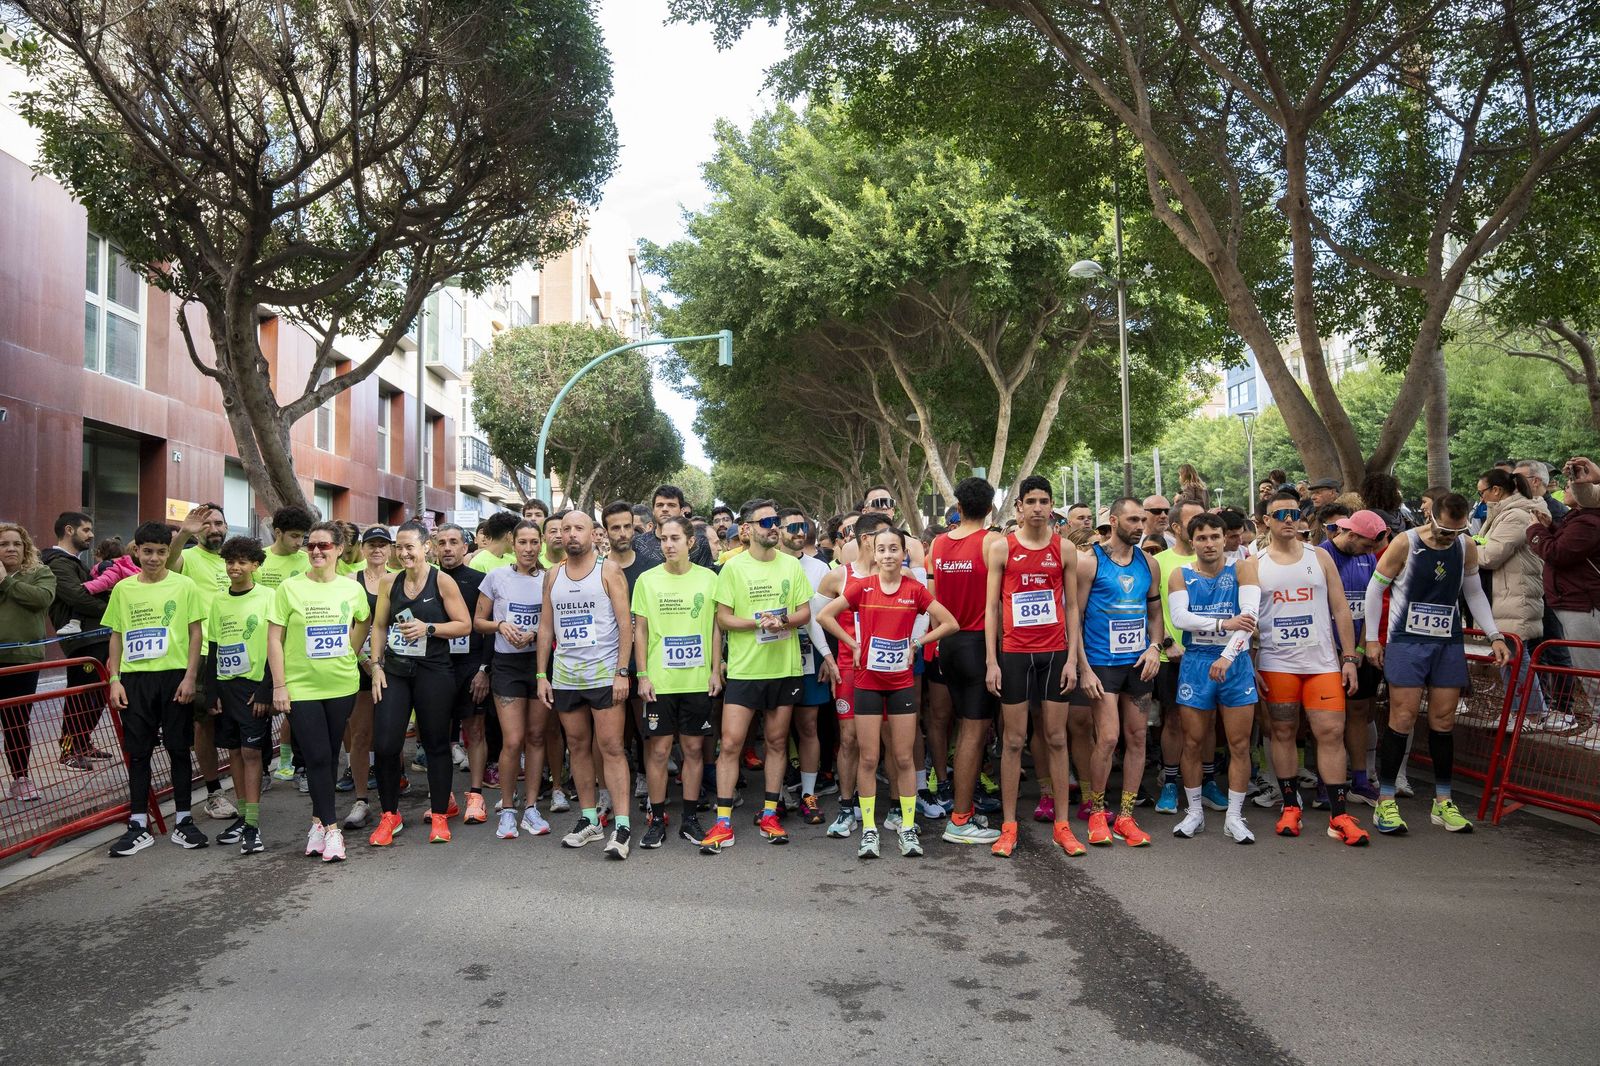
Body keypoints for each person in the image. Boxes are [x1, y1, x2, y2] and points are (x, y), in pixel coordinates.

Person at [1364, 493, 1511, 834]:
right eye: (1444, 531)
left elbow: (1473, 593)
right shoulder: (1405, 542)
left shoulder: (1465, 545)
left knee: (1443, 721)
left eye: (1457, 531)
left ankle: (1443, 802)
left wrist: (1494, 635)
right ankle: (1385, 801)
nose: (1449, 537)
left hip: (1447, 642)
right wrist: (1373, 638)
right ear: (1430, 518)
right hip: (1406, 641)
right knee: (1402, 717)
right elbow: (1375, 590)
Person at [819, 526, 958, 858]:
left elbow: (950, 622)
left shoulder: (914, 590)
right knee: (868, 757)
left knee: (903, 756)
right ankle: (869, 830)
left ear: (903, 553)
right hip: (867, 682)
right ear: (873, 552)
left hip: (900, 684)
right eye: (881, 550)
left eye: (894, 549)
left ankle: (907, 828)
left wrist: (917, 643)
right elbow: (824, 615)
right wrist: (852, 644)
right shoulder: (863, 587)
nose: (887, 556)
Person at [1251, 489, 1369, 845]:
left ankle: (1339, 815)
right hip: (1276, 663)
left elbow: (1341, 609)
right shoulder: (1253, 563)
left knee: (1331, 733)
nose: (1289, 520)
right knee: (1283, 733)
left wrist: (1349, 657)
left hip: (1322, 663)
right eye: (1280, 514)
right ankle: (1290, 805)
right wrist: (1251, 662)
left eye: (1293, 513)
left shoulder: (1320, 558)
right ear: (1266, 522)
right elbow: (1246, 618)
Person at [699, 499, 814, 853]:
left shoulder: (791, 567)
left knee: (777, 743)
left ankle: (768, 814)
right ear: (747, 529)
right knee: (731, 743)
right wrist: (758, 622)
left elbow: (805, 613)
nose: (774, 526)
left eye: (776, 521)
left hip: (784, 668)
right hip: (746, 670)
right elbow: (723, 619)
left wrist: (783, 621)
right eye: (766, 522)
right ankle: (722, 822)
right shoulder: (733, 569)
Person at [984, 475, 1084, 858]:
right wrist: (992, 660)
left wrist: (1073, 658)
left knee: (1057, 738)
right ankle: (1009, 827)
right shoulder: (1001, 548)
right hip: (1013, 654)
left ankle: (1063, 825)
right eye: (1032, 501)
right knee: (1013, 740)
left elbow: (1073, 607)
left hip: (1055, 653)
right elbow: (991, 608)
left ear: (1051, 505)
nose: (1039, 507)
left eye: (1045, 501)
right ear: (1019, 507)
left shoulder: (1065, 550)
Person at [266, 521, 373, 861]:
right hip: (301, 687)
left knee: (329, 756)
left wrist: (352, 652)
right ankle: (332, 829)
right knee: (314, 756)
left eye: (324, 545)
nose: (315, 551)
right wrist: (280, 685)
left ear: (339, 550)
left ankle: (316, 823)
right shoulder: (289, 588)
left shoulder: (351, 588)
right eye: (310, 545)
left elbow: (364, 619)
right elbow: (273, 639)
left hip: (342, 683)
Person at [104, 521, 208, 857]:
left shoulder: (184, 585)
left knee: (179, 748)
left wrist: (191, 677)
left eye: (161, 551)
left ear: (168, 552)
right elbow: (117, 636)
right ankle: (138, 824)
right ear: (136, 550)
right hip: (135, 681)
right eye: (147, 551)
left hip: (174, 677)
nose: (154, 558)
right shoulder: (123, 589)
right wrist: (115, 680)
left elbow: (196, 634)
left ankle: (183, 820)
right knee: (139, 753)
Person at [536, 510, 635, 858]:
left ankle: (622, 825)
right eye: (565, 529)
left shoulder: (609, 570)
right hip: (566, 677)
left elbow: (627, 625)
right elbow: (546, 628)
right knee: (576, 747)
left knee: (611, 747)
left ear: (593, 533)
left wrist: (622, 672)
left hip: (604, 675)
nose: (571, 534)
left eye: (578, 528)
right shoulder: (552, 575)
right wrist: (541, 675)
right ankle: (589, 818)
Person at [367, 522, 474, 845]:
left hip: (434, 671)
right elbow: (380, 626)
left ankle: (440, 814)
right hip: (396, 671)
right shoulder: (390, 582)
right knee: (386, 744)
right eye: (398, 548)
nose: (403, 554)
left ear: (426, 547)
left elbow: (464, 625)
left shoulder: (441, 581)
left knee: (436, 743)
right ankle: (390, 815)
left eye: (409, 547)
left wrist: (428, 628)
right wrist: (375, 666)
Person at [1071, 496, 1162, 849]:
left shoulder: (1149, 564)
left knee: (1137, 738)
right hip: (1101, 663)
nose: (1141, 526)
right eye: (1133, 520)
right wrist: (1082, 668)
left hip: (1137, 664)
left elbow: (1155, 613)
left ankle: (1125, 816)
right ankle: (1097, 812)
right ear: (1113, 520)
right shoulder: (1089, 562)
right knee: (1108, 738)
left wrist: (1154, 646)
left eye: (1143, 520)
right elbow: (1074, 618)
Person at [1165, 512, 1259, 842]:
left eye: (1214, 536)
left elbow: (1248, 618)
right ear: (1192, 542)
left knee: (1239, 743)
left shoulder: (1243, 567)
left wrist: (1227, 654)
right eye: (1201, 538)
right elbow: (1180, 618)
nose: (1209, 543)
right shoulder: (1180, 574)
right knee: (1192, 741)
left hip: (1234, 662)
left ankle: (1234, 815)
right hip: (1196, 662)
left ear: (1225, 538)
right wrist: (1222, 624)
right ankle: (1194, 813)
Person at [631, 515, 722, 849]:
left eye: (674, 538)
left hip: (698, 680)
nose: (668, 544)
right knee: (658, 751)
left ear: (690, 542)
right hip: (660, 681)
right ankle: (656, 820)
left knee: (695, 749)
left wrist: (715, 669)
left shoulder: (709, 579)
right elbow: (639, 630)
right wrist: (642, 675)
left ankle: (690, 819)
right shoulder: (646, 580)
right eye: (663, 539)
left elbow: (716, 628)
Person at [927, 478, 1004, 846]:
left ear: (957, 506)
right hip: (977, 644)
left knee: (962, 730)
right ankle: (959, 819)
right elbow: (993, 607)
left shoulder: (939, 543)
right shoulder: (991, 542)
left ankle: (963, 809)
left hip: (948, 644)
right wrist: (993, 659)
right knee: (973, 734)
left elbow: (932, 599)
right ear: (991, 508)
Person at [1150, 499, 1224, 818]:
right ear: (1178, 528)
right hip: (1172, 656)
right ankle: (1169, 783)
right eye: (1194, 522)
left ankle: (1207, 781)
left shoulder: (1216, 561)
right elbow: (1151, 607)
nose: (1202, 528)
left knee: (1207, 722)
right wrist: (1167, 643)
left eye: (1207, 522)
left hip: (1210, 655)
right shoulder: (1160, 562)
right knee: (1174, 720)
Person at [476, 519, 550, 838]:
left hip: (538, 663)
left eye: (535, 542)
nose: (529, 549)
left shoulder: (549, 579)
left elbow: (555, 623)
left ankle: (531, 808)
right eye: (523, 542)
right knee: (513, 739)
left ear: (541, 543)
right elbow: (477, 622)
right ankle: (508, 809)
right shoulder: (496, 577)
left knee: (536, 738)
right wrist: (500, 626)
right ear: (512, 542)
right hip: (505, 663)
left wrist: (535, 633)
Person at [166, 503, 238, 822]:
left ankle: (251, 781)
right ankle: (213, 792)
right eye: (206, 524)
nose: (213, 528)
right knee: (204, 723)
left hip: (239, 650)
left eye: (219, 523)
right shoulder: (189, 557)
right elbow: (167, 564)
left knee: (243, 720)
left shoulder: (235, 559)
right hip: (204, 652)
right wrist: (183, 534)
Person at [813, 513, 883, 838]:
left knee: (891, 737)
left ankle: (897, 808)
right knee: (850, 739)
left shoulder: (895, 575)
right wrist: (830, 655)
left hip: (887, 670)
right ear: (866, 538)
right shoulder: (839, 576)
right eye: (883, 535)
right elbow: (817, 619)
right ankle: (846, 807)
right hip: (849, 669)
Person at [206, 536, 275, 853]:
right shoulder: (219, 601)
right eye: (230, 561)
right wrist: (211, 692)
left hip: (254, 686)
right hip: (226, 685)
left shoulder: (269, 596)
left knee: (251, 753)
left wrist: (267, 687)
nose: (235, 567)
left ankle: (253, 825)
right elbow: (215, 647)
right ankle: (244, 816)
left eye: (242, 562)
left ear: (255, 565)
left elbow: (278, 647)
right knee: (233, 751)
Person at [1527, 459, 1600, 741]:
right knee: (1587, 668)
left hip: (1583, 605)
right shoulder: (1579, 520)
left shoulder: (1589, 522)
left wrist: (1536, 531)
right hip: (1575, 603)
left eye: (1574, 484)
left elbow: (1558, 553)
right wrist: (1551, 528)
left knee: (1591, 669)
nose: (1568, 486)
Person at [1320, 511, 1389, 806]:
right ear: (1350, 535)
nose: (1370, 553)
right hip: (1326, 651)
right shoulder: (1320, 555)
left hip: (1357, 650)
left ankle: (1359, 780)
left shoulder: (1369, 557)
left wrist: (1359, 649)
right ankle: (1326, 783)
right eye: (1365, 546)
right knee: (1328, 720)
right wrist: (1335, 652)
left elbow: (1371, 603)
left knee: (1359, 713)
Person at [778, 507, 839, 825]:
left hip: (812, 655)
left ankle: (809, 794)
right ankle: (774, 796)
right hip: (771, 656)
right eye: (792, 527)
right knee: (775, 731)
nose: (800, 532)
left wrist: (828, 656)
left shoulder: (819, 567)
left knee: (809, 726)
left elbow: (823, 616)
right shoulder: (766, 565)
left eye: (803, 526)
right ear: (777, 530)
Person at [1476, 468, 1551, 722]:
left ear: (1496, 490)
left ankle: (1531, 713)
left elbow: (1490, 555)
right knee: (1510, 655)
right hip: (1507, 594)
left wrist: (1463, 549)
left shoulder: (1516, 516)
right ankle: (1522, 712)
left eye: (1482, 492)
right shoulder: (1503, 514)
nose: (1481, 499)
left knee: (1515, 654)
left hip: (1514, 595)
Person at [433, 524, 496, 823]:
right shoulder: (426, 579)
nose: (447, 548)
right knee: (439, 736)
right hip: (435, 666)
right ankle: (444, 797)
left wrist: (484, 669)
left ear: (465, 547)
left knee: (475, 731)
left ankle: (476, 796)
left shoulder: (480, 581)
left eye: (453, 542)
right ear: (433, 547)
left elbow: (488, 629)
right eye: (442, 542)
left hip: (471, 665)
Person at [44, 512, 116, 769]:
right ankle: (68, 749)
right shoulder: (57, 563)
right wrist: (113, 608)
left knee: (96, 695)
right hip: (81, 641)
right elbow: (77, 597)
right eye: (86, 529)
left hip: (94, 637)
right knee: (81, 696)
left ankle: (82, 743)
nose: (92, 534)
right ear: (69, 530)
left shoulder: (72, 562)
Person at [339, 526, 392, 829]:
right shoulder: (350, 581)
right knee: (360, 734)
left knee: (389, 734)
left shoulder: (398, 579)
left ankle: (391, 795)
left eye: (382, 545)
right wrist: (364, 660)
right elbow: (346, 626)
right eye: (371, 544)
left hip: (391, 667)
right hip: (359, 666)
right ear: (362, 548)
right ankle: (362, 800)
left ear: (390, 549)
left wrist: (382, 663)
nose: (376, 550)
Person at [0, 523, 56, 802]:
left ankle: (20, 778)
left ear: (25, 548)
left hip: (21, 661)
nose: (10, 548)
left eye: (16, 544)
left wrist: (6, 581)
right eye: (4, 544)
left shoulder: (39, 573)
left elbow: (41, 599)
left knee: (16, 722)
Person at [633, 485, 716, 569]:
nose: (665, 509)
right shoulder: (638, 543)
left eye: (671, 505)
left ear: (682, 511)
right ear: (653, 510)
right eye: (660, 505)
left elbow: (707, 577)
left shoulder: (699, 543)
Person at [1515, 460, 1568, 524]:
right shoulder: (1512, 504)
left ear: (1535, 481)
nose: (1552, 480)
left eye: (1517, 479)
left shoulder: (1558, 513)